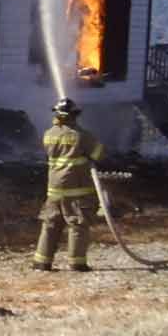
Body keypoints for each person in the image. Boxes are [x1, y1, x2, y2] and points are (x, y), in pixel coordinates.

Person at [32, 97, 106, 272]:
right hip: (76, 189)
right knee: (77, 224)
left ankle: (42, 262)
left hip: (54, 189)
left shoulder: (48, 134)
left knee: (50, 224)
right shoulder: (81, 135)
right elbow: (99, 154)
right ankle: (77, 263)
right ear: (74, 115)